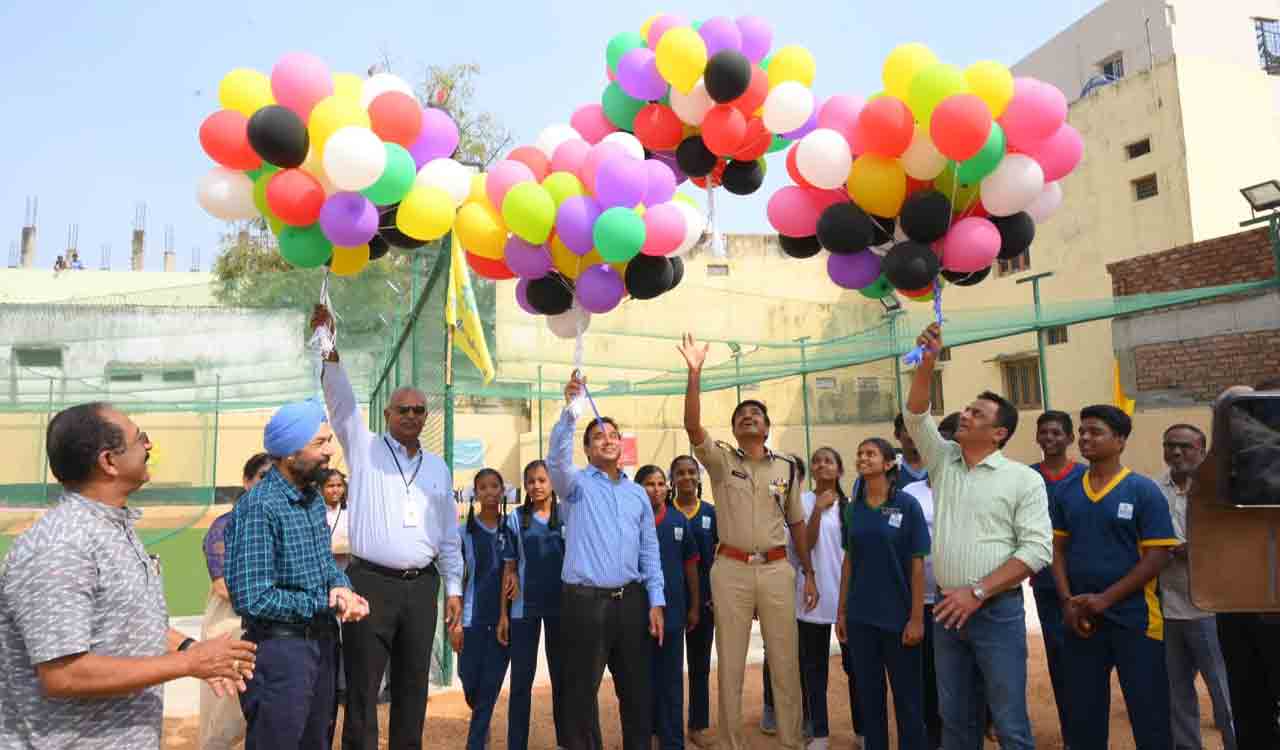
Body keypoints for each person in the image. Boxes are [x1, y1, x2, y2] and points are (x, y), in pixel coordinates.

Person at [0, 402, 256, 750]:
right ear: (108, 461)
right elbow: (63, 674)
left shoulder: (112, 528)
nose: (149, 445)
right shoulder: (61, 546)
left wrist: (189, 648)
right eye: (140, 438)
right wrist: (188, 662)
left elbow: (125, 624)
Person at [312, 304, 464, 750]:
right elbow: (340, 402)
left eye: (419, 410)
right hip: (370, 585)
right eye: (403, 410)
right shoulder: (364, 448)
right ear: (387, 414)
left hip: (422, 587)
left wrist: (453, 589)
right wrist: (329, 347)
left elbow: (448, 535)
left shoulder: (438, 468)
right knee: (362, 688)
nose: (412, 416)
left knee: (413, 688)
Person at [902, 323, 1052, 750]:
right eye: (966, 409)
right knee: (955, 721)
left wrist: (978, 592)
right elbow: (915, 416)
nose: (965, 415)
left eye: (977, 414)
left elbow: (1037, 550)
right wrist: (928, 361)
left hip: (996, 612)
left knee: (1009, 722)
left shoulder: (1023, 479)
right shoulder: (944, 461)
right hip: (947, 611)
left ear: (999, 433)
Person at [679, 333, 818, 750]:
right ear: (735, 430)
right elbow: (692, 427)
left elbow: (796, 523)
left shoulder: (787, 468)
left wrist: (809, 574)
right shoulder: (721, 462)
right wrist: (694, 373)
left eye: (756, 413)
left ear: (767, 427)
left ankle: (791, 739)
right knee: (731, 662)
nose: (749, 417)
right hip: (731, 570)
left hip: (776, 569)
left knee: (785, 660)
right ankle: (731, 742)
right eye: (741, 415)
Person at [225, 399, 369, 750]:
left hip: (321, 644)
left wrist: (342, 589)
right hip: (279, 654)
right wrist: (325, 602)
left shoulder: (312, 499)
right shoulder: (259, 507)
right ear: (290, 454)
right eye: (320, 442)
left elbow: (325, 565)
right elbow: (253, 598)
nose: (330, 451)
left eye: (329, 441)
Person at [548, 371, 665, 750]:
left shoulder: (637, 495)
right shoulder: (575, 486)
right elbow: (556, 461)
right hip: (584, 604)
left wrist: (656, 600)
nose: (608, 440)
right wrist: (571, 411)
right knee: (580, 694)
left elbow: (649, 551)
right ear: (586, 450)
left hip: (631, 603)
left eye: (613, 435)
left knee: (637, 693)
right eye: (599, 436)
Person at [1050, 405, 1177, 749]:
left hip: (1136, 619)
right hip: (1082, 618)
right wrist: (1067, 601)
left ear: (1120, 441)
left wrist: (1106, 599)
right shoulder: (1067, 491)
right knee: (1083, 714)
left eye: (1095, 432)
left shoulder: (1143, 490)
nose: (1085, 438)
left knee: (1149, 713)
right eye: (1082, 431)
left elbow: (1157, 557)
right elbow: (1056, 550)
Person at [835, 438, 930, 750]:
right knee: (870, 698)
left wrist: (916, 619)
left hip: (898, 618)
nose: (863, 458)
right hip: (861, 618)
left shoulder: (908, 505)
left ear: (889, 464)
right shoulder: (852, 509)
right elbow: (848, 563)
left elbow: (917, 566)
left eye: (870, 453)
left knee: (908, 700)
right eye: (859, 453)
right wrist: (841, 612)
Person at [1159, 423, 1236, 750]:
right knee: (1176, 693)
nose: (1176, 452)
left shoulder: (1219, 490)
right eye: (1170, 445)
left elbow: (1235, 542)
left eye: (1185, 446)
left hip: (1211, 609)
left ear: (1202, 451)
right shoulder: (1152, 490)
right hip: (1168, 608)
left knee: (1225, 692)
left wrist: (1196, 549)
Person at [1214, 377, 1280, 748]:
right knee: (1250, 703)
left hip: (1241, 597)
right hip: (1241, 597)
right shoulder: (1233, 457)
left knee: (1251, 704)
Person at [200, 452, 271, 750]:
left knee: (267, 713)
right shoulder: (225, 525)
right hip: (230, 625)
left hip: (271, 628)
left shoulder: (279, 521)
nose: (269, 484)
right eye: (263, 477)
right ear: (246, 481)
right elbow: (222, 587)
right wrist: (274, 600)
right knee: (223, 718)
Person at [899, 412, 960, 750]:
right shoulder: (910, 491)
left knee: (961, 673)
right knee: (926, 671)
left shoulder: (967, 486)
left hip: (962, 598)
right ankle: (931, 736)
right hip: (921, 599)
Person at [501, 459, 569, 750]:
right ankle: (516, 744)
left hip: (562, 608)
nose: (536, 486)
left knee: (562, 680)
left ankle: (566, 742)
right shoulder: (516, 519)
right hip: (523, 609)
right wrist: (503, 614)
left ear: (552, 483)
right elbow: (509, 568)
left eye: (542, 480)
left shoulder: (567, 514)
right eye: (531, 481)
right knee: (521, 682)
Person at [1027, 409, 1086, 743]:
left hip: (1083, 582)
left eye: (1056, 433)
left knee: (1087, 656)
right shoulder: (1028, 477)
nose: (1049, 438)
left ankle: (1087, 726)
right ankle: (1071, 732)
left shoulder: (1084, 476)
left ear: (1069, 438)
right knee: (1058, 656)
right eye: (1044, 432)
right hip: (1046, 583)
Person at [797, 447, 860, 750]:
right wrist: (818, 510)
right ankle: (819, 732)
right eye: (817, 461)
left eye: (829, 460)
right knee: (814, 669)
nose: (822, 465)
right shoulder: (802, 502)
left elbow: (855, 554)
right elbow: (804, 545)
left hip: (847, 598)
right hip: (811, 596)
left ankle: (863, 730)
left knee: (856, 668)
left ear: (839, 470)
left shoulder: (852, 506)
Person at [636, 464, 701, 750]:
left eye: (661, 483)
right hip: (639, 614)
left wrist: (694, 606)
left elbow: (691, 565)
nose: (656, 489)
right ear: (639, 489)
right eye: (650, 484)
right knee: (642, 679)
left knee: (672, 680)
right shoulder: (631, 521)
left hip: (673, 612)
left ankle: (672, 740)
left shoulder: (678, 521)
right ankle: (648, 734)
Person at [455, 469, 513, 750]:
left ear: (502, 491)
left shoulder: (512, 528)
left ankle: (476, 743)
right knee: (470, 683)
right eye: (483, 487)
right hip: (471, 619)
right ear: (475, 493)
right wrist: (454, 623)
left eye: (494, 486)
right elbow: (456, 578)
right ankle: (482, 718)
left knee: (489, 687)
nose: (489, 492)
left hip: (505, 621)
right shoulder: (463, 532)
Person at [670, 454, 718, 749]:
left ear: (699, 477)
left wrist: (715, 595)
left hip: (705, 601)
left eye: (692, 472)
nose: (687, 477)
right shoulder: (664, 512)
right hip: (672, 599)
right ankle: (667, 727)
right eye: (680, 473)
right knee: (669, 668)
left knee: (699, 665)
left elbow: (721, 557)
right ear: (672, 479)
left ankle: (697, 725)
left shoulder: (711, 512)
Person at [761, 455, 806, 737]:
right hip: (774, 587)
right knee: (773, 651)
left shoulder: (809, 504)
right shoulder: (771, 504)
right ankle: (770, 707)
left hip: (804, 590)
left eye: (794, 475)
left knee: (801, 653)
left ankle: (803, 713)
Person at [320, 469, 351, 571]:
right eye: (330, 486)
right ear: (321, 488)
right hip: (323, 567)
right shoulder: (316, 511)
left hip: (348, 568)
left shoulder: (351, 510)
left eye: (339, 485)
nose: (335, 490)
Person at [894, 413, 929, 492]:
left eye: (922, 429)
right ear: (896, 434)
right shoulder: (889, 469)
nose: (916, 434)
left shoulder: (939, 466)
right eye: (909, 429)